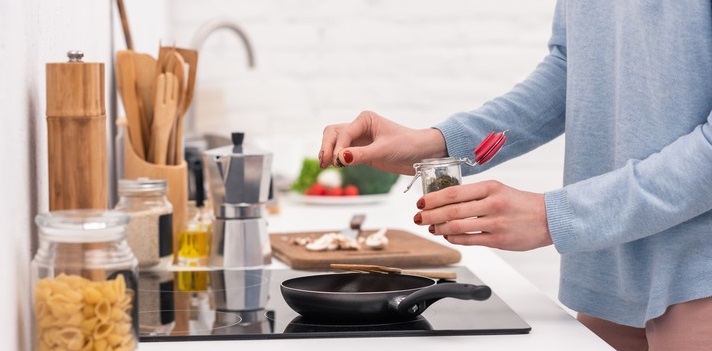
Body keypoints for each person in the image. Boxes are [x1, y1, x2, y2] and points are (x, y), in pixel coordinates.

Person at [318, 2, 712, 350]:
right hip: (611, 272)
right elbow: (570, 67)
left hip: (700, 280)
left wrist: (555, 217)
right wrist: (437, 144)